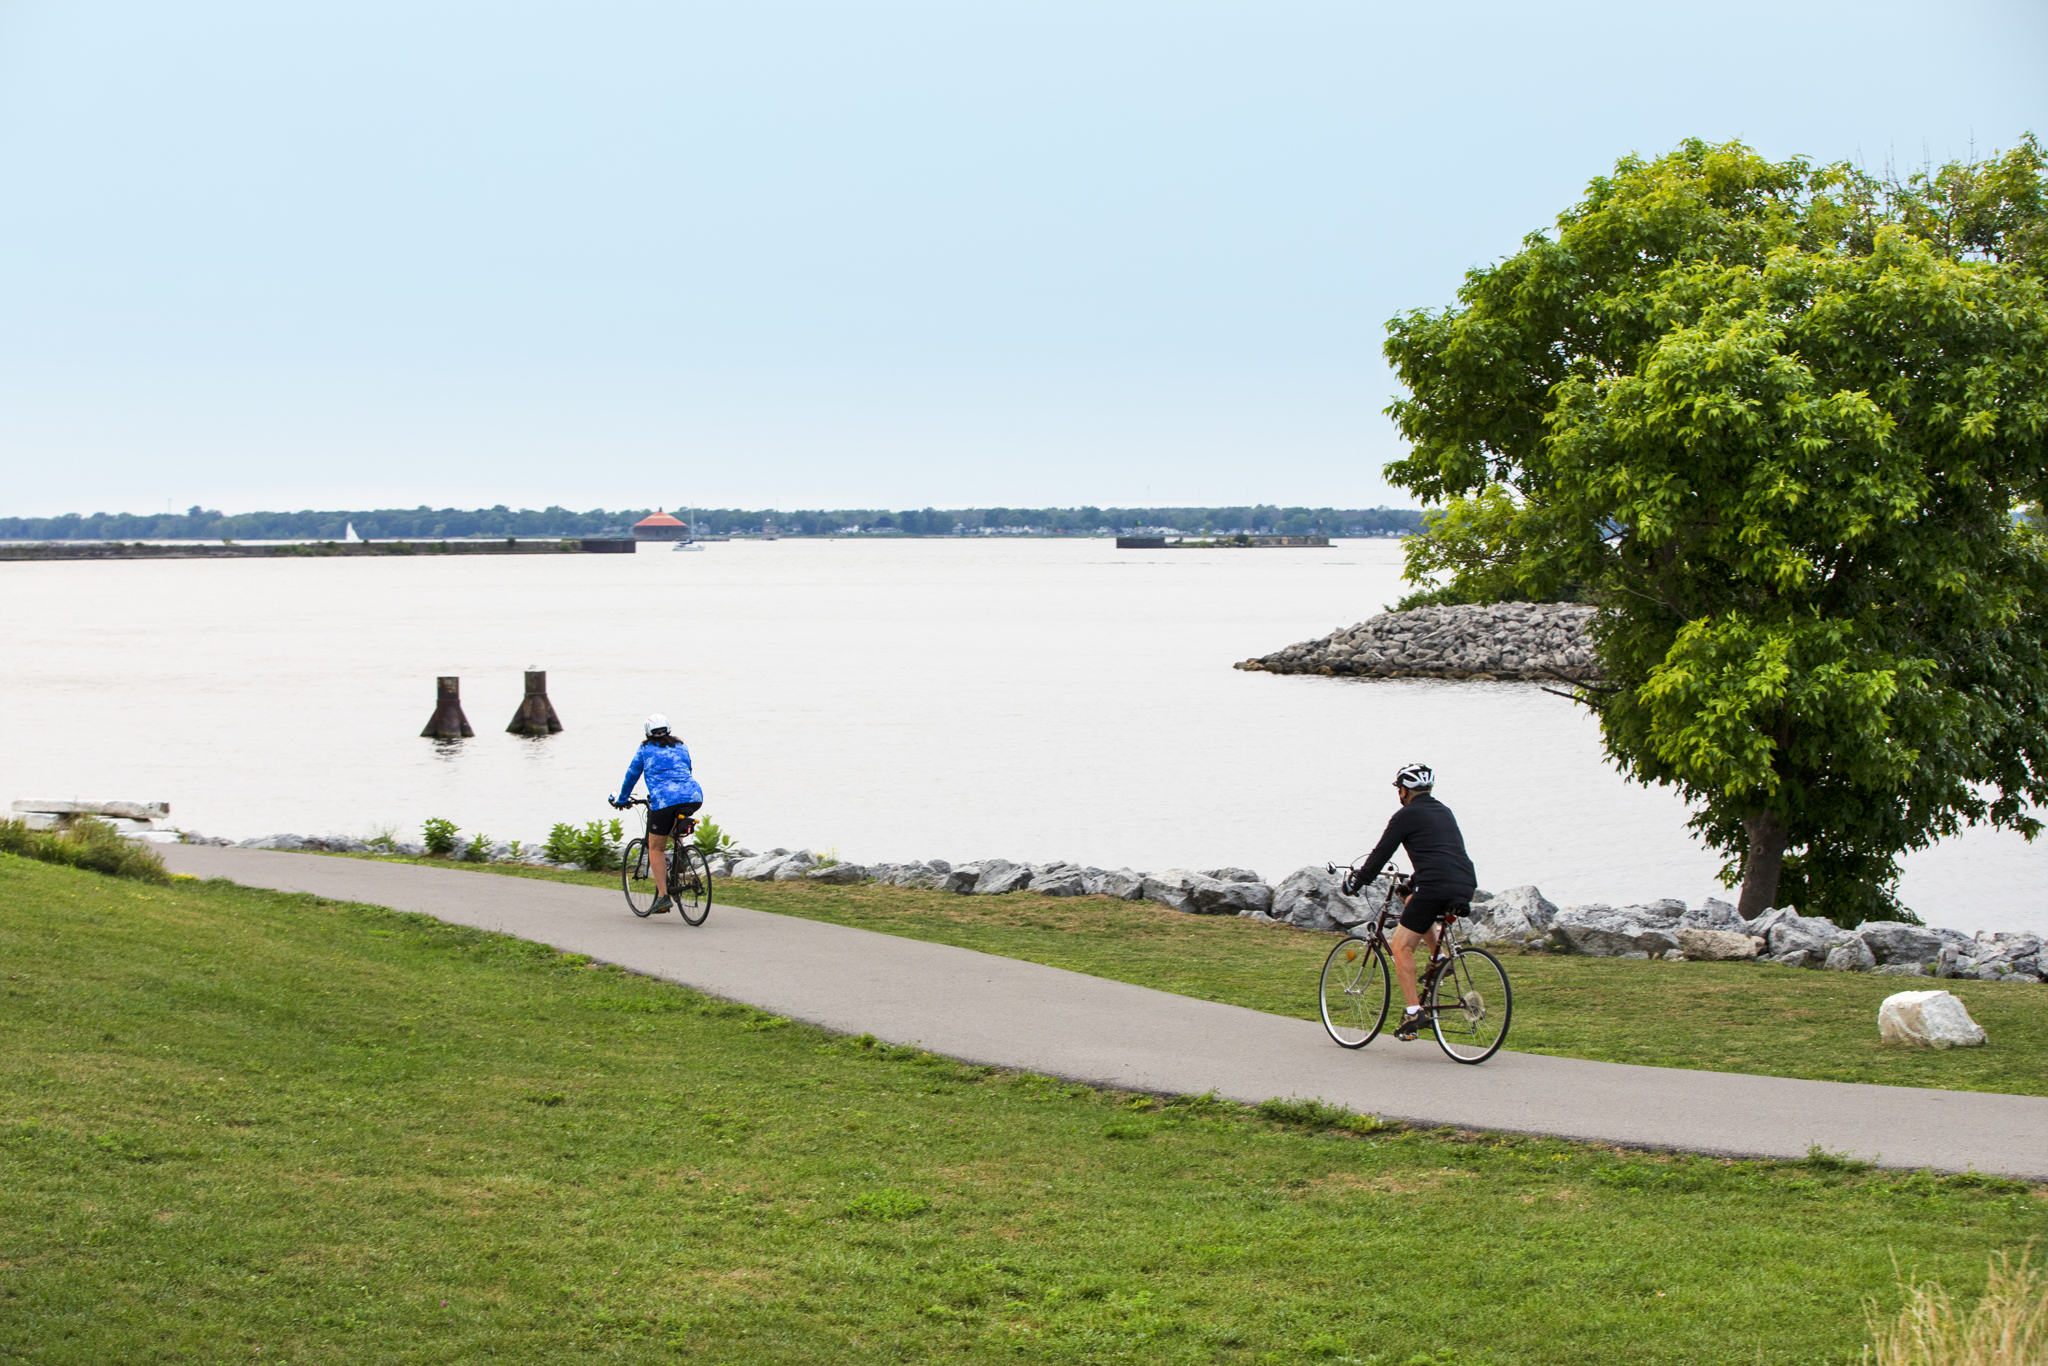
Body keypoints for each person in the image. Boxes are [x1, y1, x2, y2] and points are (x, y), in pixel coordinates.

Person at [1343, 763, 1477, 1040]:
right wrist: (1412, 884)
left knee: (1400, 946)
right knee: (1414, 902)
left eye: (1399, 789)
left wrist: (1358, 880)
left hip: (1435, 886)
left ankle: (1414, 1012)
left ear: (1404, 790)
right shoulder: (1444, 811)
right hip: (1463, 882)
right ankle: (1439, 959)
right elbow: (1442, 853)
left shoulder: (1405, 815)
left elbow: (1381, 853)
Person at [609, 713, 704, 914]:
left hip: (663, 800)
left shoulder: (645, 749)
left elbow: (632, 774)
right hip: (694, 796)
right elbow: (687, 769)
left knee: (655, 847)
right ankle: (680, 854)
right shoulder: (681, 746)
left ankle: (662, 896)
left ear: (647, 733)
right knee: (673, 827)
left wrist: (623, 799)